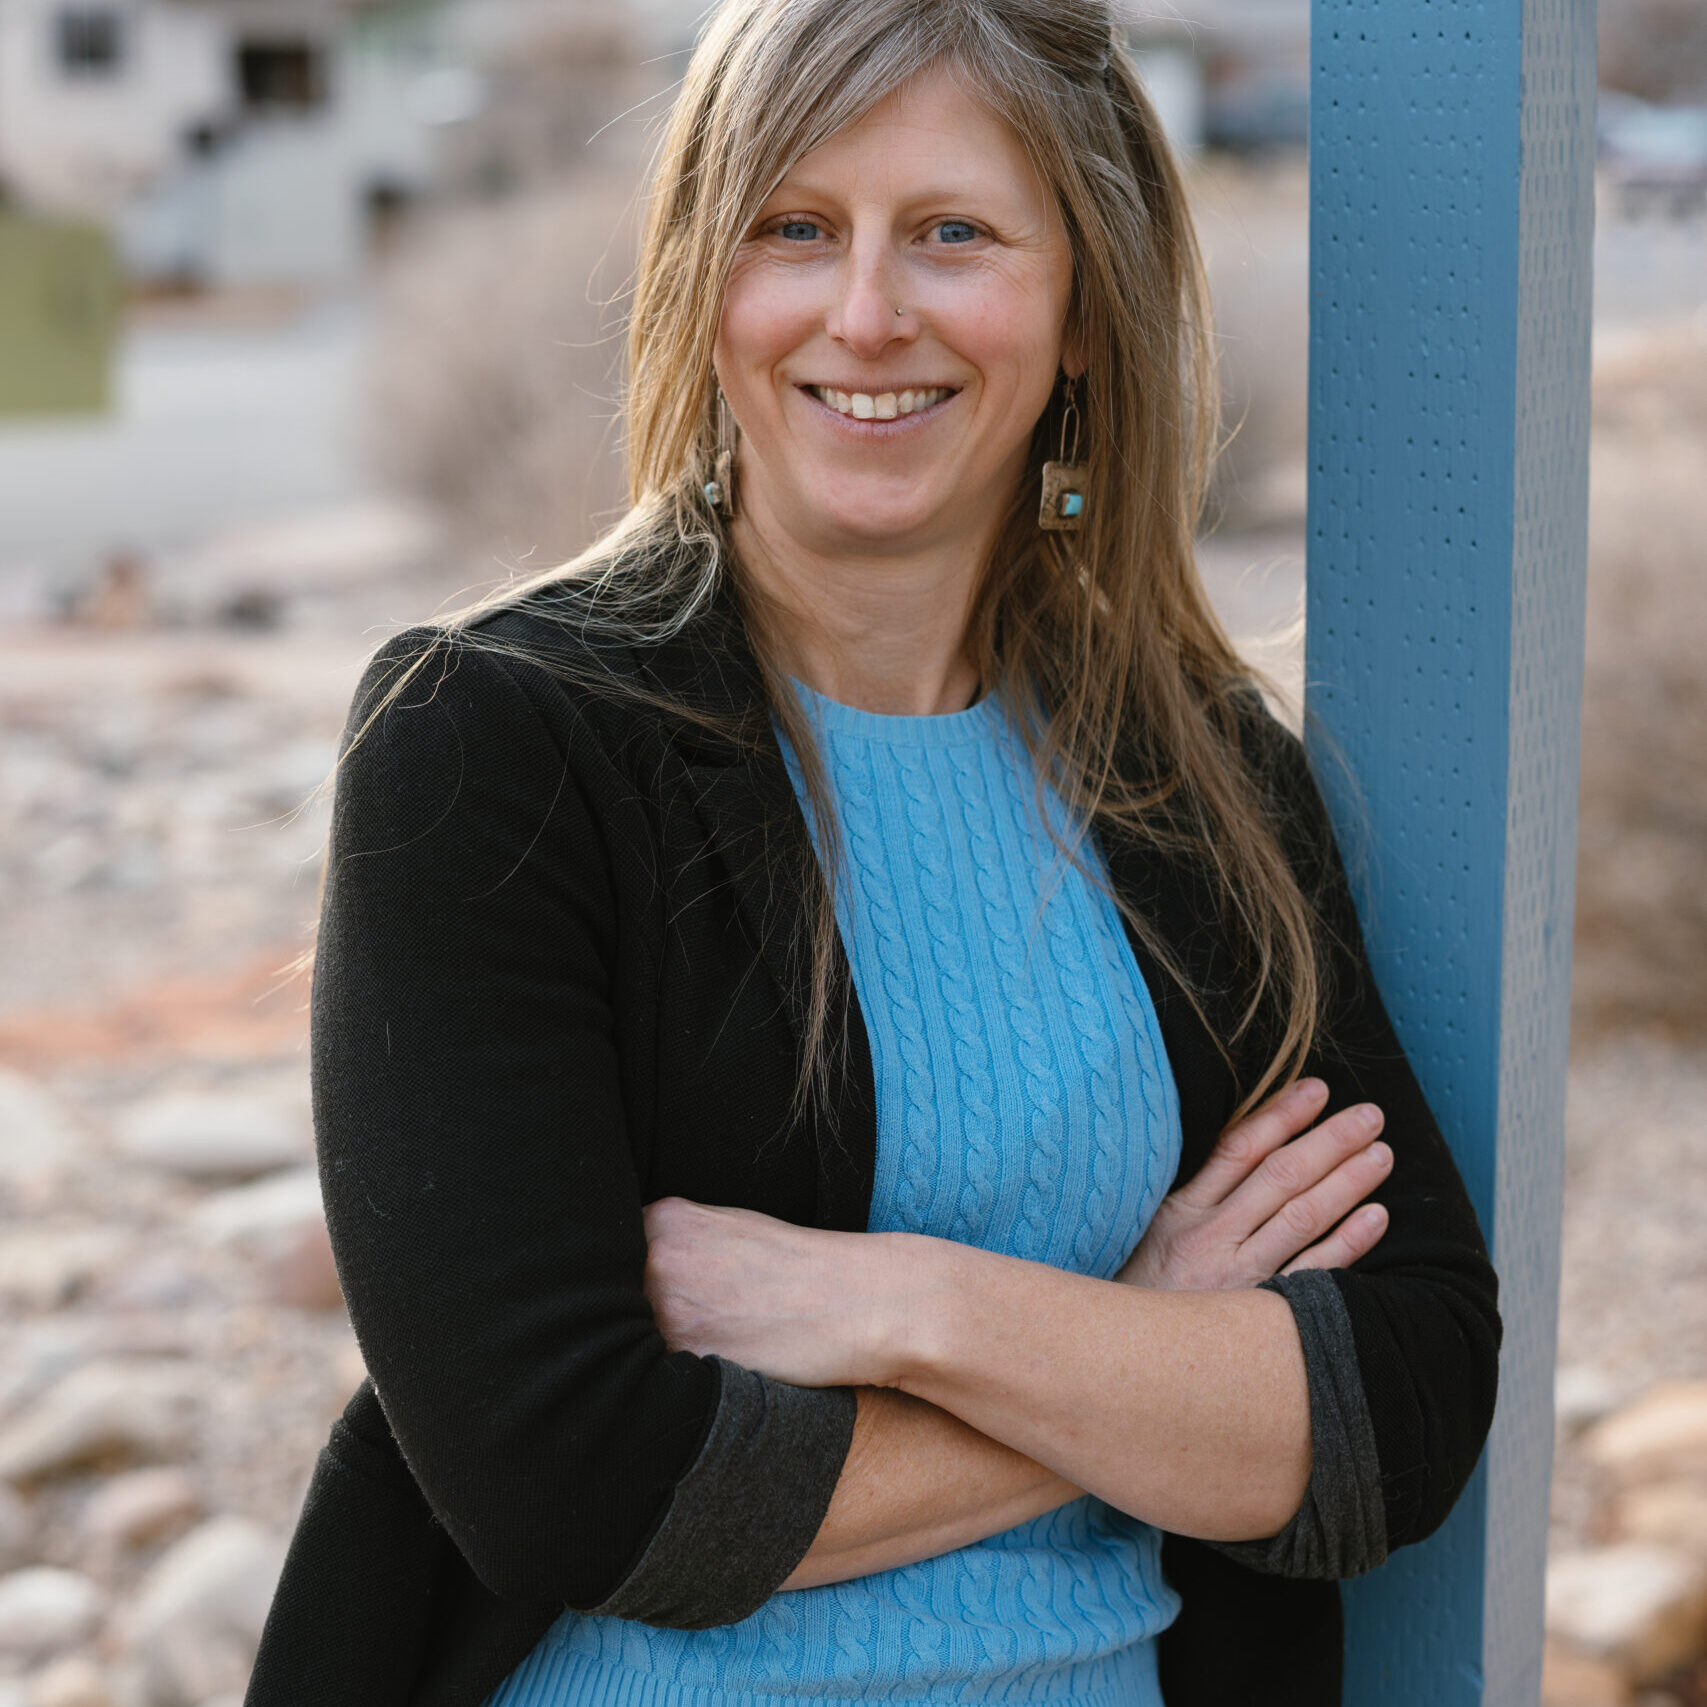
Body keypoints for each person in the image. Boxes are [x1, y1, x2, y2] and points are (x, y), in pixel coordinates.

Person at [246, 3, 1500, 1704]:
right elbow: (574, 1486)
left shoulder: (1198, 780)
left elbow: (1403, 1402)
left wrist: (917, 1308)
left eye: (955, 234)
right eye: (794, 228)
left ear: (1079, 307)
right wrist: (1147, 1346)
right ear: (706, 289)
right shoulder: (497, 745)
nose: (864, 314)